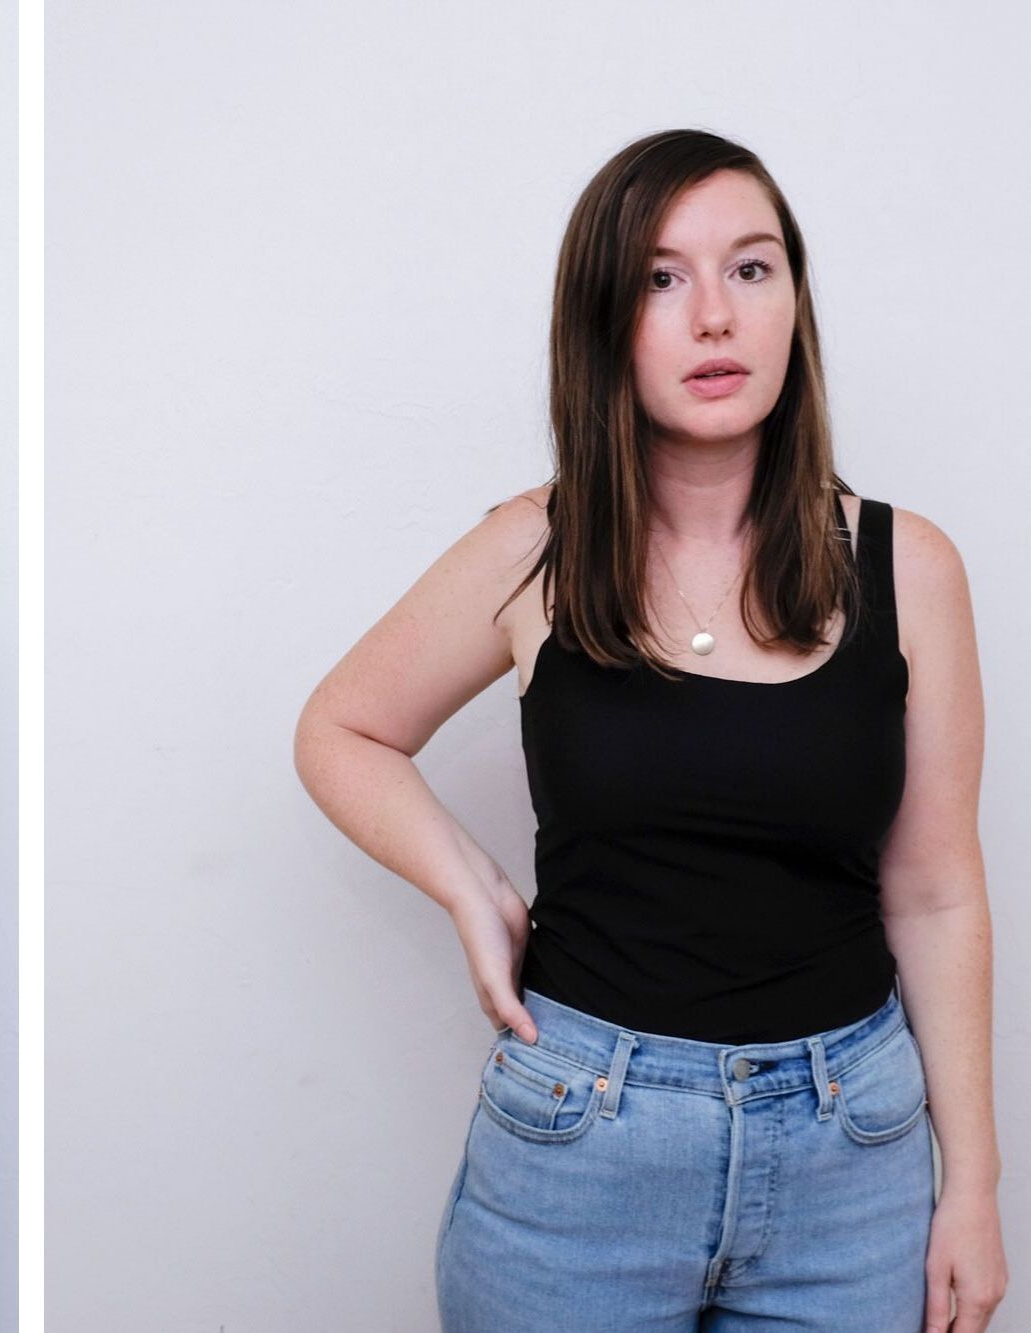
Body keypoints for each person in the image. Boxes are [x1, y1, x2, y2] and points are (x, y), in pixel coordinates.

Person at [293, 130, 1004, 1331]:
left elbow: (934, 893)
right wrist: (468, 887)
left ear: (793, 304)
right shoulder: (533, 550)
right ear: (604, 322)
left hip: (853, 1162)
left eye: (750, 268)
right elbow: (340, 728)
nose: (712, 316)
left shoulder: (906, 566)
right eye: (661, 279)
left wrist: (973, 1185)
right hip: (579, 1156)